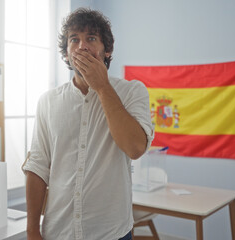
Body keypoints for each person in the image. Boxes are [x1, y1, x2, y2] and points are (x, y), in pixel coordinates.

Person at [22, 8, 154, 240]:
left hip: (111, 232)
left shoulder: (133, 91)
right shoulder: (48, 101)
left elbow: (135, 147)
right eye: (74, 40)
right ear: (66, 52)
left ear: (107, 50)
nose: (81, 46)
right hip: (58, 231)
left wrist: (102, 86)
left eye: (91, 38)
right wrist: (32, 229)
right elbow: (38, 167)